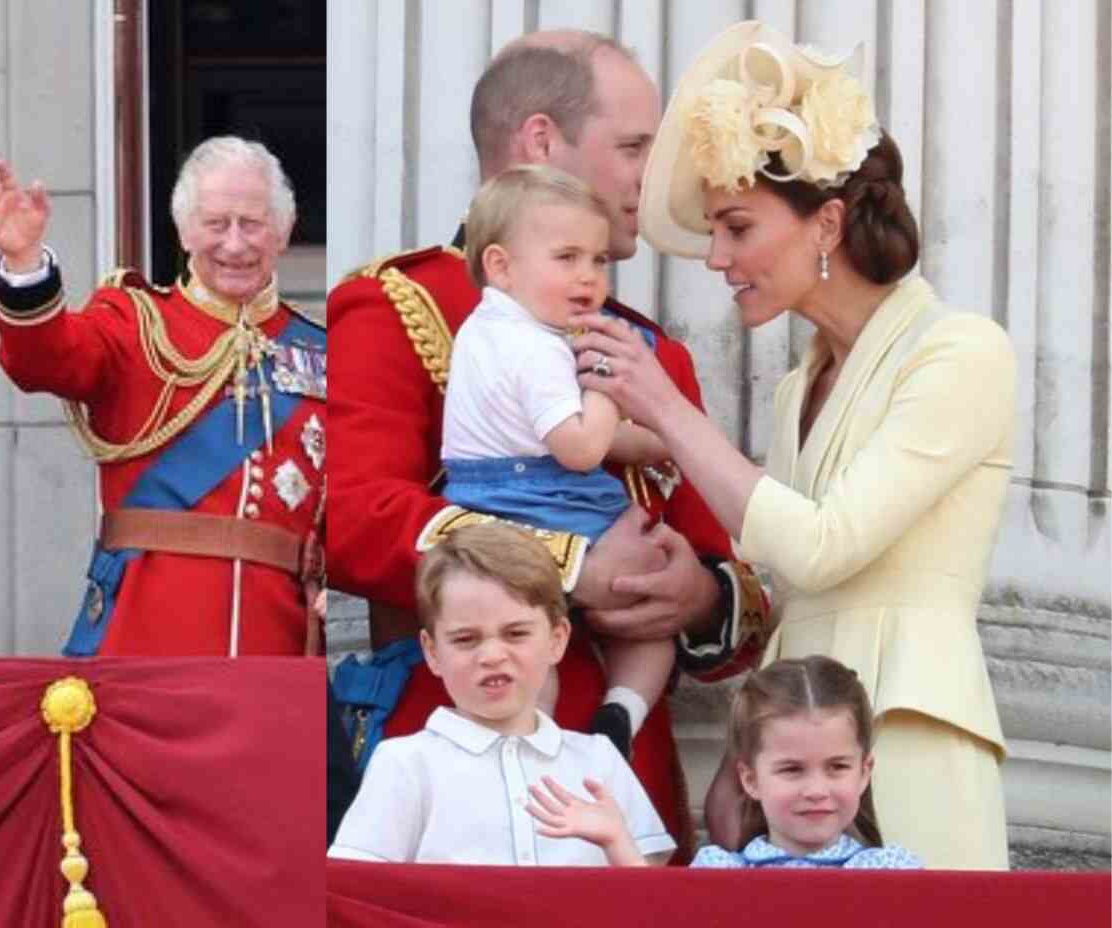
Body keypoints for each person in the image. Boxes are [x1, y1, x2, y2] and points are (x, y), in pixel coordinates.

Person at [574, 20, 1014, 869]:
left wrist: (667, 411)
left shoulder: (962, 351)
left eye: (736, 226)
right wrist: (748, 741)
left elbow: (821, 549)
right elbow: (791, 579)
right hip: (797, 758)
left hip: (912, 739)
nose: (715, 256)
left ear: (829, 222)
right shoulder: (794, 386)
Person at [325, 30, 770, 857]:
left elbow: (735, 590)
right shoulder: (396, 304)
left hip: (619, 778)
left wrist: (696, 598)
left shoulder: (649, 348)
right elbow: (357, 523)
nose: (655, 177)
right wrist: (568, 565)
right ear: (540, 142)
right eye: (636, 146)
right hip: (456, 762)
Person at [0, 136, 326, 657]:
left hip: (275, 643)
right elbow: (43, 360)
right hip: (144, 638)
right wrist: (24, 262)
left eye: (251, 224)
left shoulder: (321, 352)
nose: (234, 244)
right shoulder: (134, 322)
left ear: (283, 231)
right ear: (184, 231)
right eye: (215, 224)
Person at [446, 164, 675, 757]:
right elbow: (579, 449)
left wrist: (661, 441)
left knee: (527, 648)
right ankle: (619, 716)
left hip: (479, 505)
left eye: (598, 260)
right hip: (550, 500)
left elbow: (542, 432)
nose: (589, 277)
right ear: (500, 266)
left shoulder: (481, 331)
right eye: (567, 257)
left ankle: (525, 743)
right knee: (653, 612)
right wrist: (601, 383)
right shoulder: (542, 348)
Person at [327, 523, 673, 866]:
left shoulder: (600, 761)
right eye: (466, 639)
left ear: (556, 640)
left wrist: (617, 841)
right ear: (432, 652)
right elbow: (357, 893)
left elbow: (650, 904)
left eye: (515, 633)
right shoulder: (405, 763)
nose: (492, 656)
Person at [691, 656, 922, 868]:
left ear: (864, 773)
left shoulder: (892, 872)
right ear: (750, 780)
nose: (816, 791)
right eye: (792, 769)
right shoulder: (718, 873)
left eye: (837, 767)